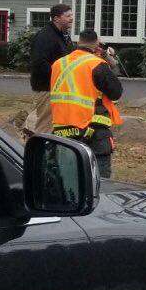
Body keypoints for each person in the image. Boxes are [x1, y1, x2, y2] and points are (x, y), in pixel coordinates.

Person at [49, 29, 124, 178]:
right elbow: (116, 92)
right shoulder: (96, 64)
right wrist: (107, 59)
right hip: (92, 131)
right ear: (96, 44)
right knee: (98, 181)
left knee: (67, 179)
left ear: (78, 43)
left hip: (62, 131)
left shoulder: (58, 64)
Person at [22, 3, 76, 136]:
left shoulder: (63, 35)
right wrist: (59, 77)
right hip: (47, 88)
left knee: (57, 124)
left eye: (72, 15)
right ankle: (38, 152)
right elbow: (39, 62)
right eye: (67, 16)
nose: (71, 18)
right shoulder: (46, 36)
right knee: (46, 125)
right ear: (56, 18)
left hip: (58, 88)